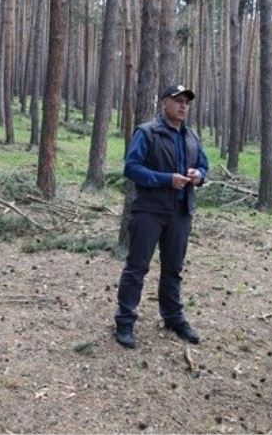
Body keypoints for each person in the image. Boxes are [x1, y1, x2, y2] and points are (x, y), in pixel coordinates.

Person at [114, 85, 209, 349]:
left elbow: (204, 164)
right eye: (177, 101)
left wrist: (199, 175)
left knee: (173, 269)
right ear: (164, 103)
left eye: (186, 103)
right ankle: (125, 322)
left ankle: (173, 317)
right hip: (150, 211)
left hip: (181, 212)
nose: (182, 106)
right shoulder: (147, 132)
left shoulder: (192, 137)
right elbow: (131, 168)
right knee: (137, 267)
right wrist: (166, 180)